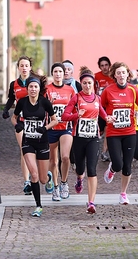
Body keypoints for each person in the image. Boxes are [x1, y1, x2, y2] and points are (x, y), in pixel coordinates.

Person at [61, 66, 112, 213]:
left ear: (93, 84)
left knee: (92, 170)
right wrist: (77, 115)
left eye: (90, 83)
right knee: (80, 168)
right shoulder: (76, 98)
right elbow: (65, 116)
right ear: (81, 84)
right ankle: (78, 179)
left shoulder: (97, 99)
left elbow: (103, 115)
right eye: (84, 83)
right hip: (78, 138)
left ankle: (91, 202)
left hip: (93, 139)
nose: (87, 86)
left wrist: (109, 118)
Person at [101, 62, 138, 204]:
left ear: (128, 74)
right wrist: (105, 119)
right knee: (118, 164)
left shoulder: (133, 90)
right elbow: (101, 109)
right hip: (113, 133)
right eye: (118, 73)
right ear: (114, 75)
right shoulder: (108, 91)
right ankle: (112, 169)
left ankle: (123, 193)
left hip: (129, 132)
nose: (121, 75)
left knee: (127, 165)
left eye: (123, 72)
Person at [11, 75, 58, 217]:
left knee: (43, 179)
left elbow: (55, 120)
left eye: (35, 86)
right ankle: (38, 206)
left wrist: (45, 128)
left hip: (42, 141)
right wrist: (17, 125)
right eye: (30, 86)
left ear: (39, 89)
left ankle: (49, 177)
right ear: (27, 89)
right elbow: (14, 117)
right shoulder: (22, 102)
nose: (33, 89)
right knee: (34, 175)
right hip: (28, 142)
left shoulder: (45, 103)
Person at [2, 55, 32, 195]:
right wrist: (6, 109)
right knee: (24, 150)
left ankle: (38, 175)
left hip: (35, 120)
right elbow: (11, 98)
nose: (24, 68)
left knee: (37, 150)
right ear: (18, 67)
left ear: (30, 67)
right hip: (20, 120)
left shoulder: (35, 81)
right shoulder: (14, 84)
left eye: (26, 65)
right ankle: (26, 181)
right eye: (22, 65)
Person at [46, 62, 76, 201]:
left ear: (64, 74)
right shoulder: (47, 89)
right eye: (55, 72)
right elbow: (42, 109)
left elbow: (75, 109)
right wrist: (49, 104)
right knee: (53, 160)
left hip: (66, 127)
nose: (58, 74)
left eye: (60, 72)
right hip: (52, 128)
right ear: (52, 74)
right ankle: (56, 187)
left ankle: (64, 183)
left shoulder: (70, 90)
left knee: (65, 157)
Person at [94, 56, 114, 162]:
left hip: (110, 106)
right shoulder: (96, 76)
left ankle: (104, 152)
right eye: (102, 66)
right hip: (99, 106)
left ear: (109, 65)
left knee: (108, 128)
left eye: (106, 65)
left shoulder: (113, 76)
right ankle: (92, 148)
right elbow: (93, 90)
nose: (104, 68)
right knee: (99, 130)